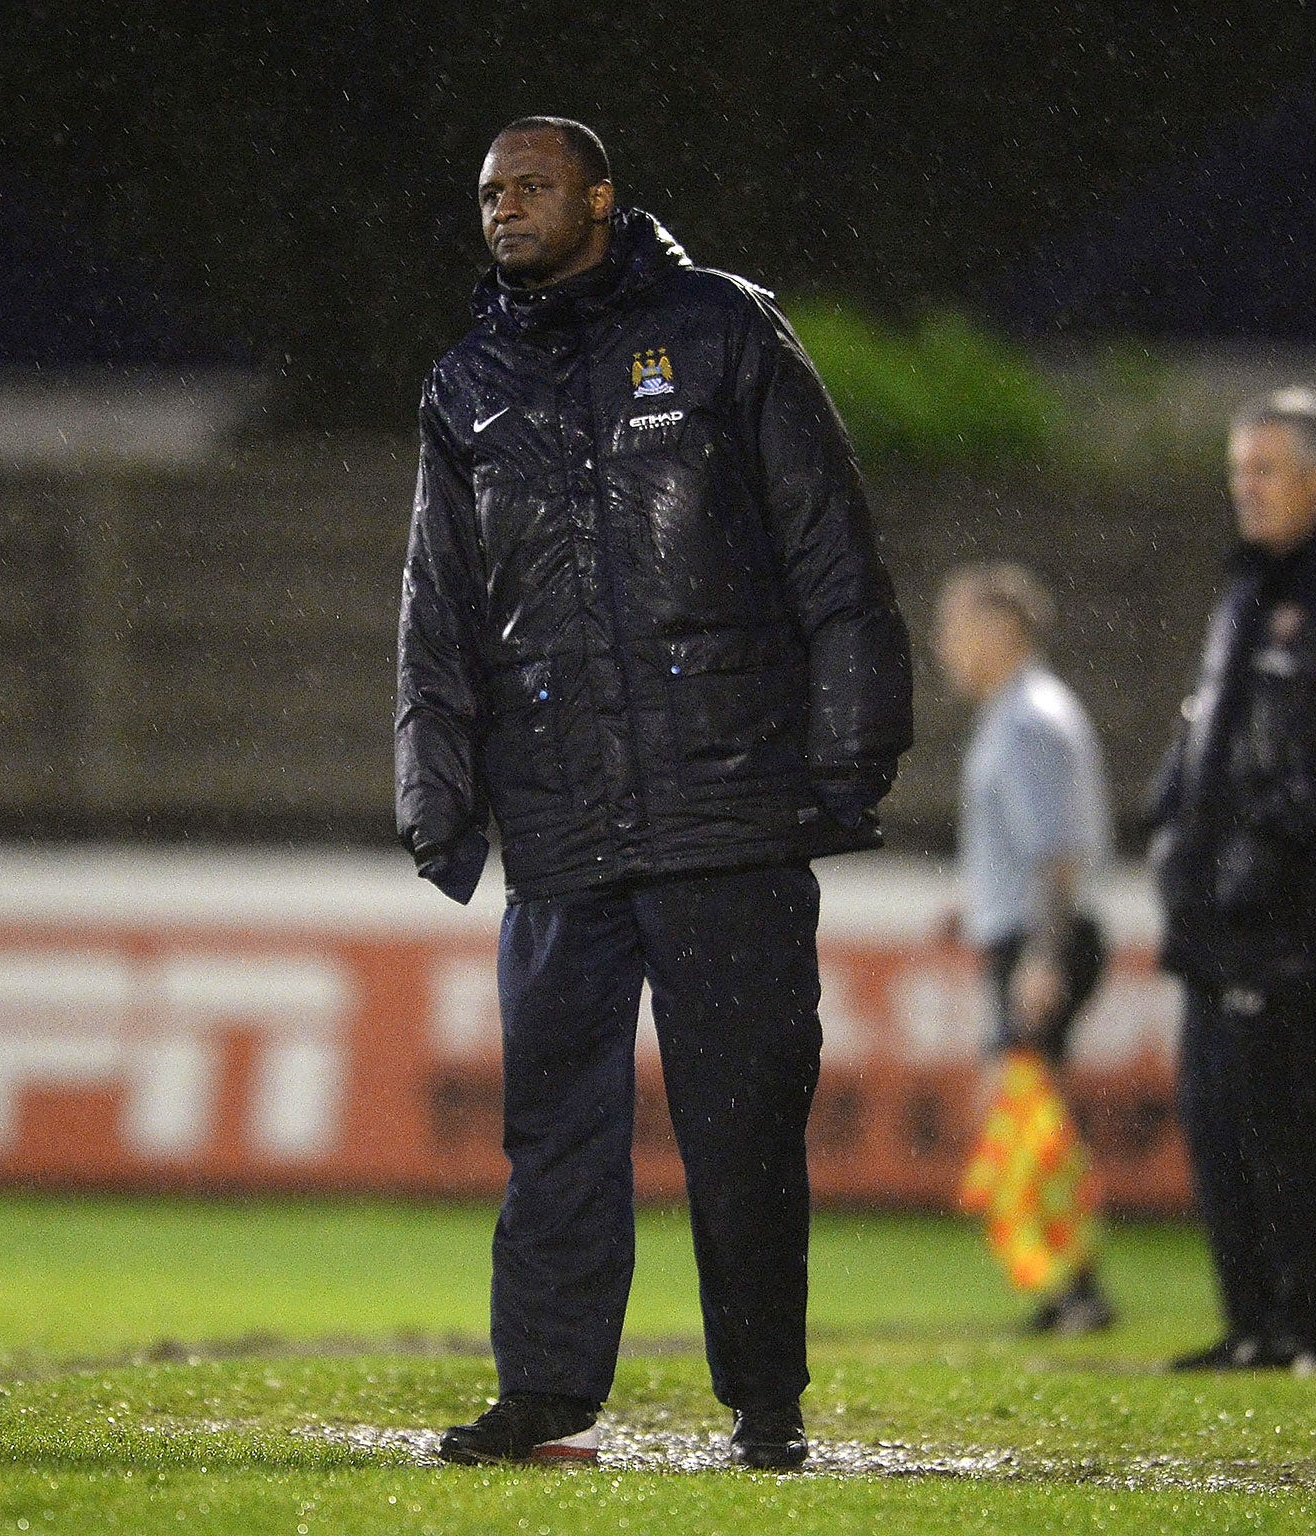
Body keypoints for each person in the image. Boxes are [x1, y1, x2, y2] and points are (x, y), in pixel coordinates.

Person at [395, 117, 912, 1468]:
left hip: (728, 813)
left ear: (604, 198)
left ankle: (766, 1402)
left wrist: (849, 758)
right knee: (552, 1127)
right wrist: (436, 790)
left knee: (741, 1125)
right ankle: (548, 1389)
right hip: (560, 824)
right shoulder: (466, 383)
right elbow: (438, 611)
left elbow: (832, 554)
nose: (507, 207)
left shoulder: (727, 331)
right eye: (492, 188)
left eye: (536, 185)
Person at [1147, 388, 1316, 1373]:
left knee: (1296, 1118)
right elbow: (1207, 728)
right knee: (1217, 1118)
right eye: (1236, 472)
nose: (1245, 491)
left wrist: (1278, 831)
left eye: (1263, 471)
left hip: (1302, 910)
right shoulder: (1245, 588)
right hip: (1219, 904)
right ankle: (1253, 1322)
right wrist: (1171, 818)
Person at [934, 562, 1116, 1335]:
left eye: (955, 627)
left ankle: (1080, 1292)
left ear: (999, 630)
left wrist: (1042, 955)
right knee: (1031, 1119)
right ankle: (1067, 1288)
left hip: (1044, 942)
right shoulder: (1016, 713)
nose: (945, 647)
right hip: (1026, 934)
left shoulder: (1030, 719)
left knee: (1032, 1120)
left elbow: (1058, 855)